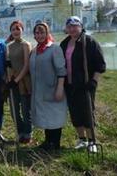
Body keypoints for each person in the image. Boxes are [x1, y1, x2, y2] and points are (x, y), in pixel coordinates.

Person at [60, 16, 106, 152]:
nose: (72, 29)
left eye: (75, 26)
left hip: (85, 84)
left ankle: (92, 141)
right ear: (67, 28)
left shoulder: (90, 42)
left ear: (80, 26)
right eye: (69, 26)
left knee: (87, 112)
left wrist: (93, 81)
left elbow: (100, 64)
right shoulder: (65, 43)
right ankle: (82, 139)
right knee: (74, 112)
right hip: (70, 84)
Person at [29, 22, 67, 151]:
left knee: (55, 116)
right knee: (46, 117)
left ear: (47, 34)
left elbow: (61, 70)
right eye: (37, 33)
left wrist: (60, 88)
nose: (39, 35)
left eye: (42, 32)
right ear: (34, 35)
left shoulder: (54, 49)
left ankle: (55, 144)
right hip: (40, 90)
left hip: (54, 88)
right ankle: (48, 141)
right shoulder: (35, 51)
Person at [5, 20, 32, 144]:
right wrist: (10, 78)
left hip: (24, 82)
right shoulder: (9, 46)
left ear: (22, 30)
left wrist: (17, 80)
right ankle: (20, 132)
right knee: (14, 110)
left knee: (26, 110)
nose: (15, 31)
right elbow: (9, 65)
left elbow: (26, 65)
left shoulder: (26, 45)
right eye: (13, 29)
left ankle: (27, 133)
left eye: (18, 29)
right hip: (13, 81)